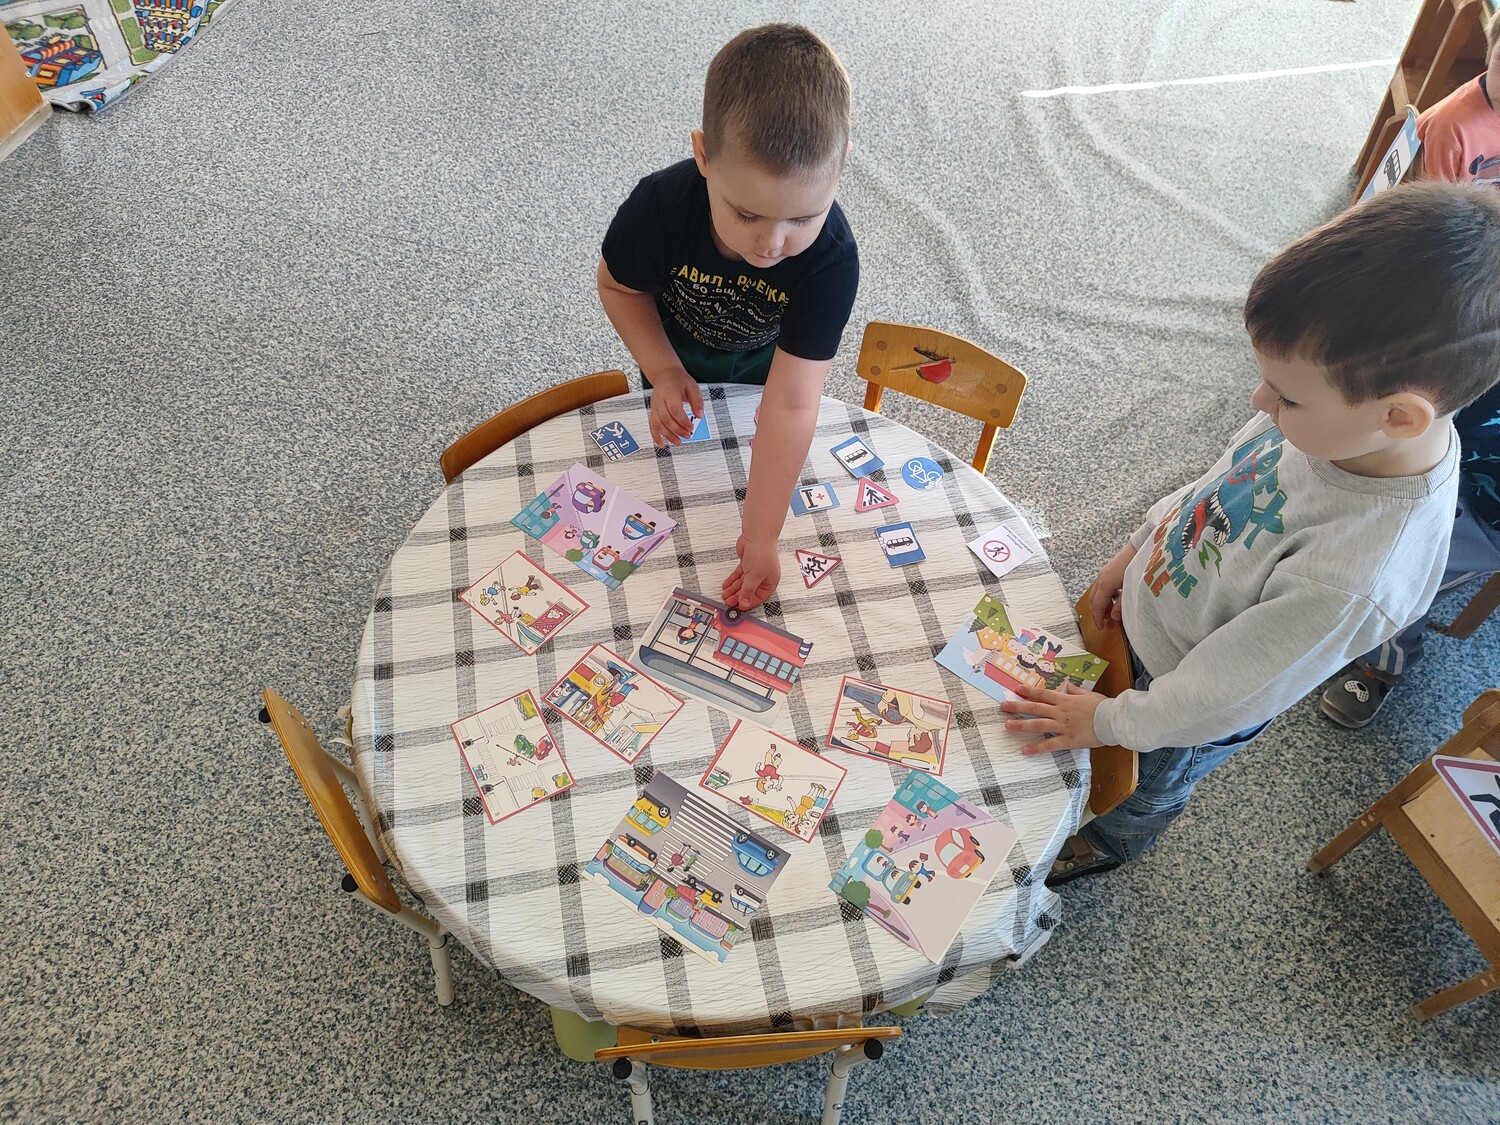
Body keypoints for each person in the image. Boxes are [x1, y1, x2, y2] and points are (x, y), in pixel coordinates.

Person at [996, 183, 1500, 885]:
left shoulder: (1355, 576)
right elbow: (1220, 478)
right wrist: (1136, 548)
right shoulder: (1334, 422)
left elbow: (1222, 695)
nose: (1259, 401)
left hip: (1177, 700)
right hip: (1155, 613)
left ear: (1399, 417)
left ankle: (1109, 844)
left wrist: (1110, 722)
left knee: (1138, 789)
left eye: (1284, 395)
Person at [597, 23, 858, 610]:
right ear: (703, 157)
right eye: (746, 214)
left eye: (803, 219)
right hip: (676, 346)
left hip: (772, 361)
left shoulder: (832, 259)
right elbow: (618, 286)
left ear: (842, 165)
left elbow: (793, 403)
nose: (772, 243)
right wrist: (664, 370)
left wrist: (761, 537)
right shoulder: (658, 209)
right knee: (668, 466)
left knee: (759, 446)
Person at [1317, 12, 1500, 727]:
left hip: (1476, 496)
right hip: (1461, 367)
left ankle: (1380, 662)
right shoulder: (1456, 130)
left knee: (1405, 561)